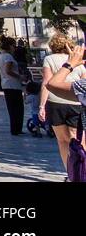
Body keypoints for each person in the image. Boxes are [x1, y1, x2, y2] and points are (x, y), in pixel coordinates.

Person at [40, 33, 85, 170]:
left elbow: (47, 83)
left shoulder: (49, 59)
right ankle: (81, 170)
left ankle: (70, 171)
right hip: (76, 101)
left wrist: (42, 105)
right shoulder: (78, 60)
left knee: (62, 140)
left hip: (55, 101)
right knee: (78, 139)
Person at [0, 36, 25, 135]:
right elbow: (8, 71)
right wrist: (20, 76)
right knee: (18, 108)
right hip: (13, 84)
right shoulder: (8, 57)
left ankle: (14, 129)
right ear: (9, 46)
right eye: (13, 45)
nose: (15, 48)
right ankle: (17, 129)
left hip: (5, 84)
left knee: (11, 108)